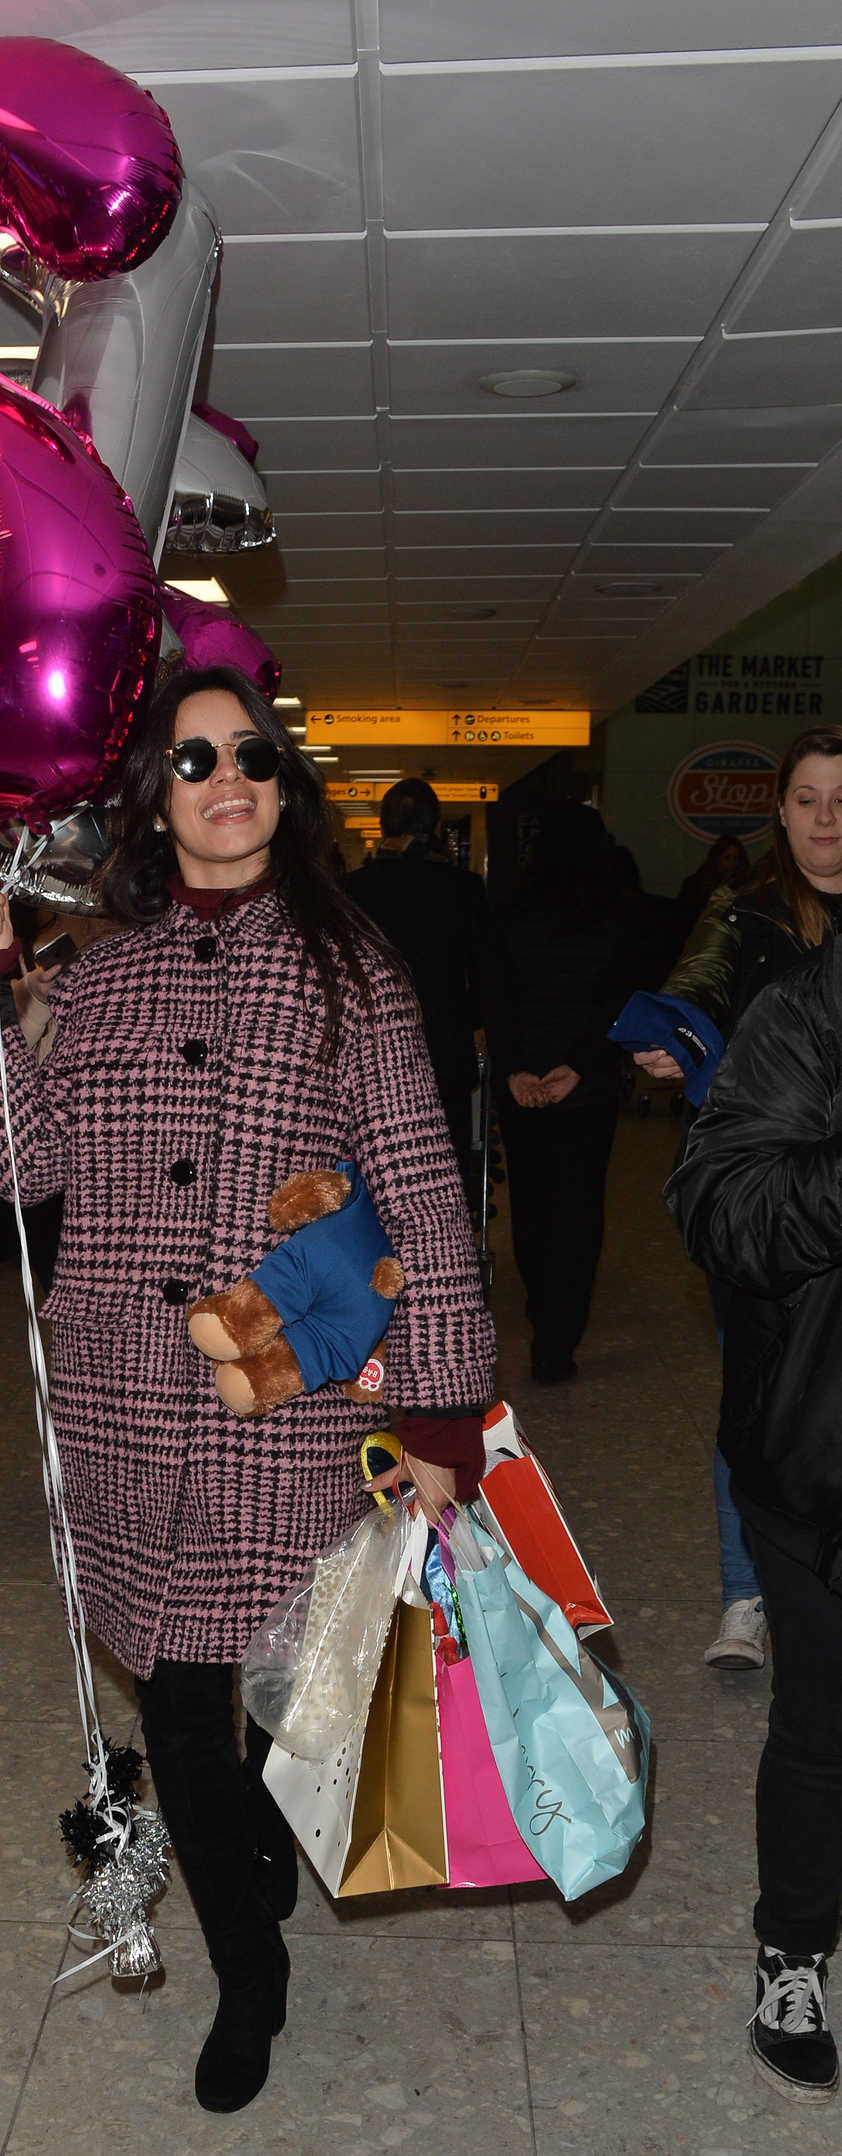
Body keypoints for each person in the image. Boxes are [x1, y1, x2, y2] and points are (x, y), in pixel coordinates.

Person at [0, 664, 496, 2114]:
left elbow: (423, 1193)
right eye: (191, 760)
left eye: (249, 756)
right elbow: (37, 1166)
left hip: (282, 1398)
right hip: (123, 1389)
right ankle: (252, 1971)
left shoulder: (351, 970)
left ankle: (242, 1869)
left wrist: (438, 1413)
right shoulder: (97, 972)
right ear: (151, 797)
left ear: (284, 791)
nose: (225, 778)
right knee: (178, 1703)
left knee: (257, 1680)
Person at [667, 925, 842, 2104]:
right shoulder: (805, 1010)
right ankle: (793, 1948)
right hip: (819, 1447)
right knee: (823, 1723)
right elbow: (722, 1207)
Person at [632, 727, 842, 1672]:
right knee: (758, 1391)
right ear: (780, 813)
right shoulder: (746, 913)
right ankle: (746, 1592)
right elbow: (693, 994)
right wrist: (672, 1041)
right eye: (806, 800)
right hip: (766, 1209)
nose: (826, 820)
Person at [482, 802, 628, 1383]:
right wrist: (581, 1068)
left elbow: (497, 998)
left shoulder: (512, 909)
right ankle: (557, 1342)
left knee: (534, 1206)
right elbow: (619, 1002)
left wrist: (517, 1071)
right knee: (580, 1208)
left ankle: (540, 1306)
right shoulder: (615, 914)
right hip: (585, 1091)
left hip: (525, 1094)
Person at [347, 776, 488, 1181]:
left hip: (367, 1053)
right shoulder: (463, 889)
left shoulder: (351, 890)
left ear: (382, 827)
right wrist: (465, 1020)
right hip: (443, 1050)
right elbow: (484, 975)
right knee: (445, 1167)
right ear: (438, 829)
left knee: (371, 1171)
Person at [676, 832, 750, 927]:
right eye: (727, 858)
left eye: (736, 858)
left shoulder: (744, 887)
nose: (732, 863)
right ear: (716, 859)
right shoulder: (695, 885)